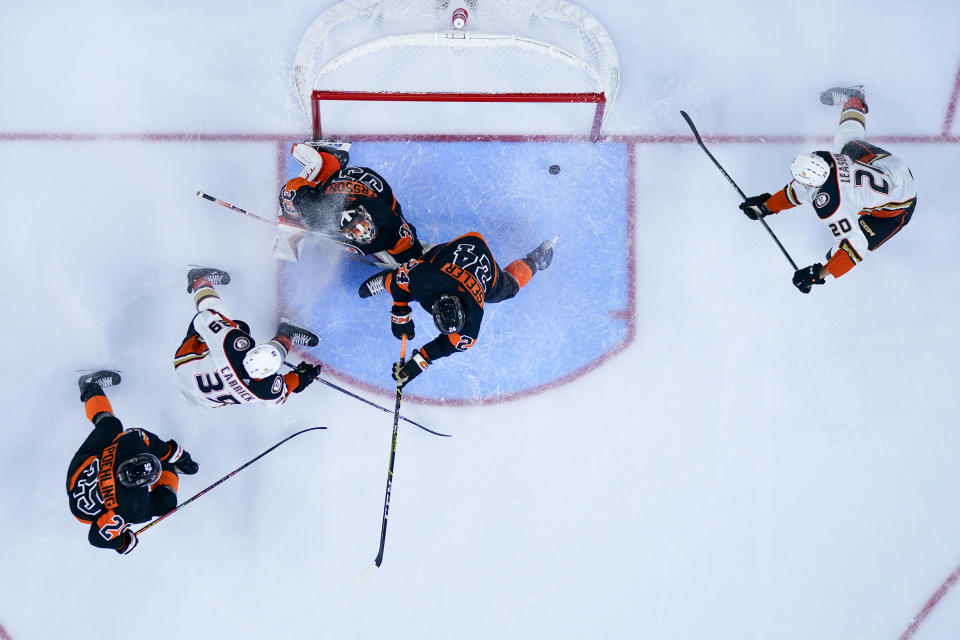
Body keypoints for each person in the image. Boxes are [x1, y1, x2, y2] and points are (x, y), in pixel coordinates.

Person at [739, 85, 917, 293]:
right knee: (846, 143)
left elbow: (855, 247)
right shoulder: (823, 158)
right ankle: (855, 99)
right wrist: (766, 206)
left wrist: (819, 273)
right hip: (891, 168)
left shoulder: (833, 206)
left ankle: (855, 99)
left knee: (839, 253)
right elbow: (799, 190)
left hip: (896, 209)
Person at [358, 232, 558, 387]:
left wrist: (417, 363)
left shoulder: (471, 324)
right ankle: (386, 279)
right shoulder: (427, 281)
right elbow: (401, 279)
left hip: (480, 258)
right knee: (410, 271)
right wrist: (400, 314)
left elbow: (446, 346)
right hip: (459, 248)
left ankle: (534, 260)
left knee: (507, 289)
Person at [66, 370, 199, 554]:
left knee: (110, 425)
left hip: (81, 471)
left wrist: (122, 542)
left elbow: (96, 538)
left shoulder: (128, 447)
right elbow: (95, 538)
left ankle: (90, 387)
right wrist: (173, 456)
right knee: (165, 503)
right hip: (84, 498)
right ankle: (170, 467)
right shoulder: (132, 506)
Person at [173, 266, 321, 407]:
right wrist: (301, 379)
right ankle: (287, 334)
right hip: (203, 395)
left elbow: (204, 318)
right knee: (236, 327)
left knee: (233, 324)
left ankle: (199, 279)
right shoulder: (265, 390)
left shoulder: (231, 347)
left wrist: (301, 377)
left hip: (188, 363)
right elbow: (284, 390)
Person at [273, 141, 425, 266]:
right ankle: (328, 161)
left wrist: (412, 260)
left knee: (402, 246)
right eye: (357, 228)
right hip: (342, 186)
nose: (363, 231)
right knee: (294, 201)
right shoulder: (318, 210)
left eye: (361, 227)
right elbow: (291, 190)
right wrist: (290, 215)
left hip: (370, 189)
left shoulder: (389, 222)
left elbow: (411, 248)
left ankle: (333, 161)